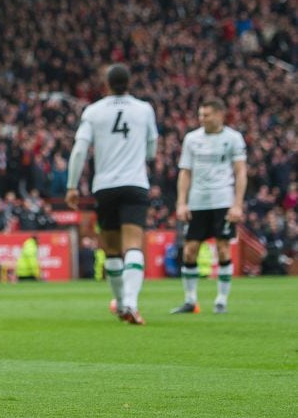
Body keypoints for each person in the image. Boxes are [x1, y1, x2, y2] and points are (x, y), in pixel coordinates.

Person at [65, 64, 158, 325]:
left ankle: (121, 305)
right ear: (129, 83)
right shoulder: (144, 109)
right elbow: (152, 148)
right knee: (133, 245)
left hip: (105, 186)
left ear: (105, 84)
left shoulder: (93, 111)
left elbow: (79, 150)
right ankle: (130, 302)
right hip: (135, 183)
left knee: (112, 250)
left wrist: (72, 186)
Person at [172, 98, 247, 314]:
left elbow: (240, 171)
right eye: (200, 115)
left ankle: (221, 300)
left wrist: (237, 204)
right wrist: (181, 202)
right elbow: (185, 172)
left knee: (223, 249)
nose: (202, 119)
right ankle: (190, 300)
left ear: (220, 115)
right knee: (190, 251)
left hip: (223, 201)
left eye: (206, 115)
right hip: (197, 202)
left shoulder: (233, 138)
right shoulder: (191, 139)